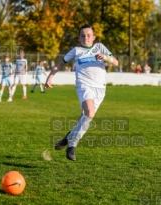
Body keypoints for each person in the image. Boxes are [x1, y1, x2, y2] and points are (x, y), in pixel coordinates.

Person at [45, 24, 118, 161]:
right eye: (83, 36)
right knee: (90, 113)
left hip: (100, 89)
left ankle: (68, 137)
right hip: (84, 86)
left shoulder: (100, 47)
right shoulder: (76, 50)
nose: (86, 38)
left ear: (94, 37)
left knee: (85, 117)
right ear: (79, 38)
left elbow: (116, 62)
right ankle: (72, 146)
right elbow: (60, 63)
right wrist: (50, 77)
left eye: (89, 35)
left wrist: (105, 57)